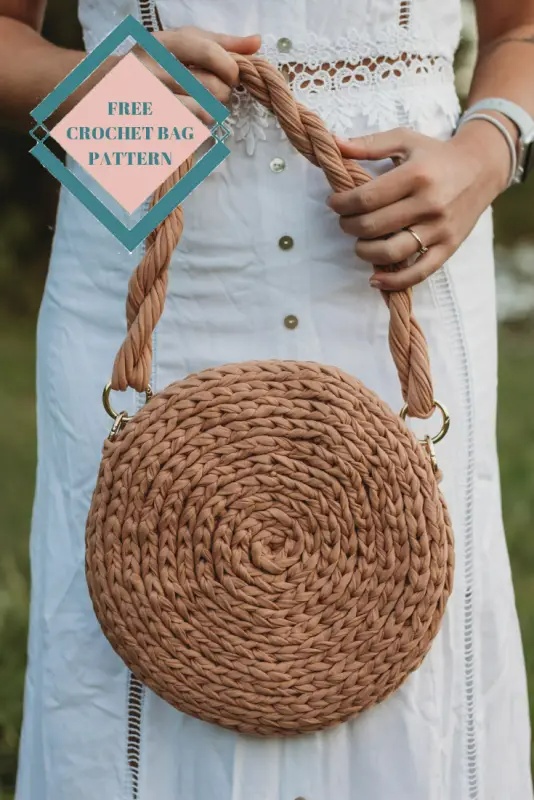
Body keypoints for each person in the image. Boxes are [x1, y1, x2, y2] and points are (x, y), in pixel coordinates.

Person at [1, 0, 533, 798]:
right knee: (136, 603)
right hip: (141, 236)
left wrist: (487, 151)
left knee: (400, 609)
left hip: (402, 249)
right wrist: (88, 82)